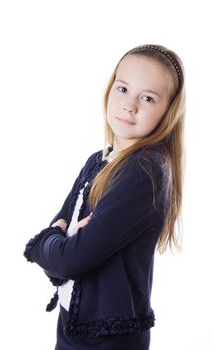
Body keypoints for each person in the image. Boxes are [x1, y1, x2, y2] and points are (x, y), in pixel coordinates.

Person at [23, 44, 186, 350]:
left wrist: (60, 241)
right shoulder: (99, 160)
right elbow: (56, 260)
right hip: (72, 324)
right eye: (123, 89)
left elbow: (68, 260)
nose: (129, 105)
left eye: (148, 98)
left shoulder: (146, 170)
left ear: (168, 111)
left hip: (108, 341)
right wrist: (61, 244)